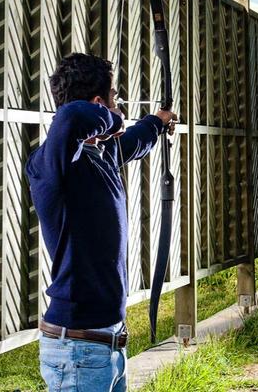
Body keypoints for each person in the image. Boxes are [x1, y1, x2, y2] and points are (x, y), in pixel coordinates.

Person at [26, 53, 176, 392]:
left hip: (107, 346)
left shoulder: (101, 155)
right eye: (114, 99)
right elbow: (70, 117)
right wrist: (112, 118)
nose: (119, 106)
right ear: (99, 104)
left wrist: (157, 121)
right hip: (77, 350)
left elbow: (135, 141)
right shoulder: (51, 165)